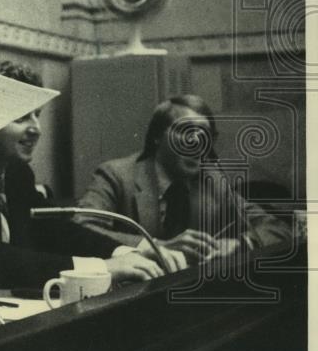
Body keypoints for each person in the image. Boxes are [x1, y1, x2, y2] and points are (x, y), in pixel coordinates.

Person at [0, 59, 169, 290]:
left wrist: (130, 251)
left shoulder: (17, 173)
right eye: (21, 117)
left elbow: (54, 230)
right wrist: (101, 267)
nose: (37, 129)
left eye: (37, 114)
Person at [75, 95, 292, 262]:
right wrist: (153, 246)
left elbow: (278, 229)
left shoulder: (213, 182)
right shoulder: (116, 175)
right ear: (157, 137)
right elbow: (81, 230)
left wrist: (241, 244)